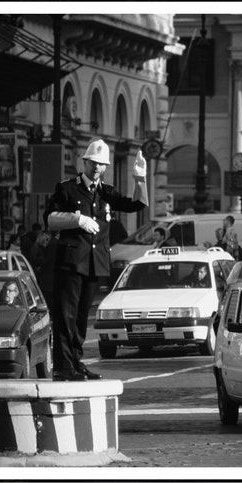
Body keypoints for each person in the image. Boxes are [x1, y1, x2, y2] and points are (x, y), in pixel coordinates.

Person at [44, 139, 148, 381]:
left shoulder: (106, 192)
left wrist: (139, 179)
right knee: (66, 316)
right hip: (71, 262)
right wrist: (77, 219)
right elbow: (49, 218)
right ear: (85, 162)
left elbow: (137, 205)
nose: (97, 168)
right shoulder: (67, 188)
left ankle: (76, 362)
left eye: (102, 165)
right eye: (93, 163)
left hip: (95, 262)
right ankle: (63, 366)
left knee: (81, 318)